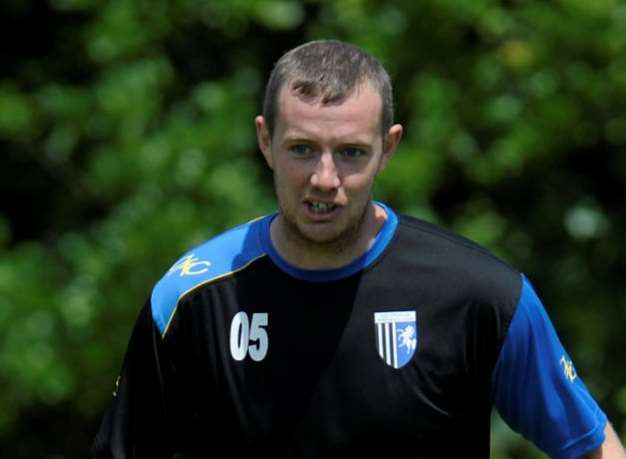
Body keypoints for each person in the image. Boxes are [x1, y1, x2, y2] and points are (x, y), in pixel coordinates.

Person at [92, 40, 626, 458]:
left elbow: (591, 446)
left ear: (388, 147)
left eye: (350, 152)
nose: (325, 179)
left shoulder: (481, 296)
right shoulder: (191, 300)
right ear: (264, 141)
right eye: (302, 149)